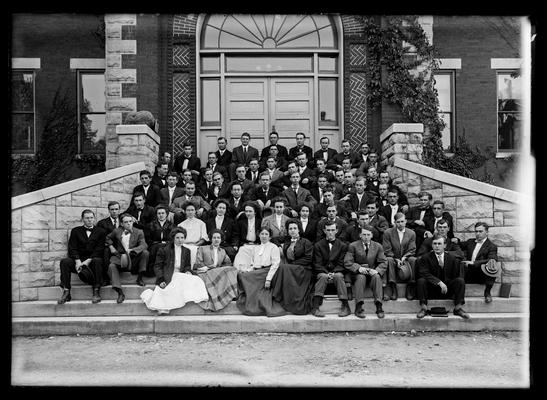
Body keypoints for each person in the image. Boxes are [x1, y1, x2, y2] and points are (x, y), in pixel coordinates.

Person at [140, 227, 209, 315]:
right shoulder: (164, 250)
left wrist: (187, 270)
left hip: (181, 274)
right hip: (168, 274)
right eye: (177, 238)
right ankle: (165, 305)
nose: (180, 240)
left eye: (182, 238)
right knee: (170, 287)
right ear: (173, 238)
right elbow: (158, 266)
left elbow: (187, 265)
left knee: (197, 280)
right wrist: (161, 279)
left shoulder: (187, 251)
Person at [57, 209, 106, 305]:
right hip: (78, 260)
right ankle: (66, 291)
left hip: (92, 261)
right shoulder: (76, 231)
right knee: (65, 262)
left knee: (97, 260)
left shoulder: (101, 231)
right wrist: (77, 261)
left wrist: (88, 261)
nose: (89, 220)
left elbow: (100, 249)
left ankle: (96, 291)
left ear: (94, 219)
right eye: (87, 218)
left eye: (91, 218)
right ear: (82, 219)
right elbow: (72, 248)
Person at [416, 234, 469, 319]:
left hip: (447, 289)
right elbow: (424, 273)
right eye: (435, 243)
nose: (437, 246)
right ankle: (424, 308)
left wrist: (447, 285)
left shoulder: (452, 258)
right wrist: (439, 283)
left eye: (439, 244)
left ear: (445, 245)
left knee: (460, 281)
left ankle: (458, 308)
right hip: (431, 289)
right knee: (421, 281)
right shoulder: (425, 258)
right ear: (432, 245)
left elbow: (455, 276)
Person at [236, 227, 285, 316]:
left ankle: (255, 305)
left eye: (266, 234)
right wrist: (247, 271)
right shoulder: (256, 248)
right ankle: (246, 297)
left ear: (270, 237)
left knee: (251, 278)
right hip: (257, 271)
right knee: (241, 275)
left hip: (268, 271)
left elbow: (275, 265)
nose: (264, 236)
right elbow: (253, 264)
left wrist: (268, 279)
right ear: (259, 235)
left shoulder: (273, 247)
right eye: (262, 234)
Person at [344, 225, 388, 318]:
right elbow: (347, 262)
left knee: (377, 277)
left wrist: (376, 271)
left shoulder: (377, 246)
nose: (366, 237)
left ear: (372, 235)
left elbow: (384, 262)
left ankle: (379, 306)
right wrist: (359, 268)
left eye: (368, 234)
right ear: (360, 235)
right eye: (364, 234)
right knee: (361, 277)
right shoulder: (353, 246)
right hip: (358, 274)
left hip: (372, 272)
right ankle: (359, 306)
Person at [273, 220, 314, 315]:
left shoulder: (305, 242)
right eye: (290, 229)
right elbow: (274, 239)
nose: (292, 230)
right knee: (282, 268)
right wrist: (279, 246)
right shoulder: (287, 241)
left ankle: (277, 295)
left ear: (299, 230)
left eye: (295, 228)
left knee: (283, 268)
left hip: (303, 269)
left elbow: (308, 258)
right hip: (291, 269)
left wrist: (294, 264)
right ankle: (281, 296)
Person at [106, 213, 149, 302]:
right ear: (121, 224)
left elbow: (144, 244)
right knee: (111, 266)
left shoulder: (139, 231)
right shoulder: (117, 231)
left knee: (145, 253)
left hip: (133, 257)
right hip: (121, 257)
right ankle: (119, 291)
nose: (129, 224)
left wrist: (133, 250)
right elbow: (107, 238)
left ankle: (140, 277)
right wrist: (111, 246)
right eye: (126, 222)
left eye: (130, 221)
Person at [311, 221, 350, 317]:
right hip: (322, 271)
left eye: (332, 230)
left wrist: (334, 272)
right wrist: (327, 273)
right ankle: (315, 307)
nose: (330, 232)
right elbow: (317, 263)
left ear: (336, 231)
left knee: (338, 276)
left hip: (337, 271)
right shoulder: (318, 245)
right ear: (324, 231)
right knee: (323, 277)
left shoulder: (342, 245)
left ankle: (345, 306)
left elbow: (342, 263)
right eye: (328, 230)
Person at [194, 229, 238, 311]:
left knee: (232, 270)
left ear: (221, 240)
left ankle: (231, 294)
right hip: (205, 272)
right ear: (211, 239)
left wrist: (218, 269)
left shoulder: (222, 251)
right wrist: (211, 267)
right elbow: (198, 263)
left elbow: (228, 263)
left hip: (217, 272)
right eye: (214, 238)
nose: (216, 239)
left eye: (218, 238)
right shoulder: (202, 248)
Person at [457, 222, 499, 303]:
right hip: (468, 273)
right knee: (458, 263)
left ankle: (487, 292)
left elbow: (492, 259)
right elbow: (459, 245)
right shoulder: (470, 242)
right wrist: (456, 240)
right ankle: (457, 293)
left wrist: (473, 263)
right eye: (476, 231)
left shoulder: (491, 246)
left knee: (493, 264)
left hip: (481, 275)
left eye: (480, 231)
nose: (478, 234)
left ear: (486, 232)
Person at [382, 212, 417, 301]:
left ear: (405, 221)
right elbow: (387, 249)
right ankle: (393, 287)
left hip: (406, 259)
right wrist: (396, 259)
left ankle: (410, 286)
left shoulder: (411, 233)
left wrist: (405, 257)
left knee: (413, 260)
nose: (400, 224)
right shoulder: (388, 232)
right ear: (394, 222)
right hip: (394, 258)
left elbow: (412, 249)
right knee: (388, 259)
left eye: (402, 221)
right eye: (398, 222)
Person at [145, 204, 174, 277]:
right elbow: (148, 238)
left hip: (167, 245)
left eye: (163, 213)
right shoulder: (151, 225)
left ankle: (165, 271)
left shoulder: (171, 225)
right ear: (156, 215)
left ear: (166, 214)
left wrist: (166, 243)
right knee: (157, 247)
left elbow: (173, 238)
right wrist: (156, 243)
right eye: (159, 213)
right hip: (154, 245)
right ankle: (152, 271)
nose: (161, 215)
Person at [232, 202, 263, 270]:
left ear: (255, 212)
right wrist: (235, 245)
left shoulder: (260, 222)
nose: (248, 213)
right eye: (246, 211)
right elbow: (236, 235)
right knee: (240, 260)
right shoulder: (241, 222)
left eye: (250, 211)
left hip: (257, 245)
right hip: (245, 245)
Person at [97, 201, 121, 285]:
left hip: (122, 247)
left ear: (119, 210)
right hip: (108, 247)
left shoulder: (124, 221)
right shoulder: (102, 223)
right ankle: (106, 277)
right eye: (112, 209)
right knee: (106, 251)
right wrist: (110, 246)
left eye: (116, 209)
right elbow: (102, 237)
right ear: (109, 210)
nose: (114, 211)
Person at [177, 202, 209, 267]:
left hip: (197, 246)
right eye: (188, 210)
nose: (190, 212)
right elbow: (179, 238)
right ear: (185, 211)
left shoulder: (201, 223)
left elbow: (204, 238)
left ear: (195, 211)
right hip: (184, 245)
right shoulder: (180, 225)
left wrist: (195, 245)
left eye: (192, 210)